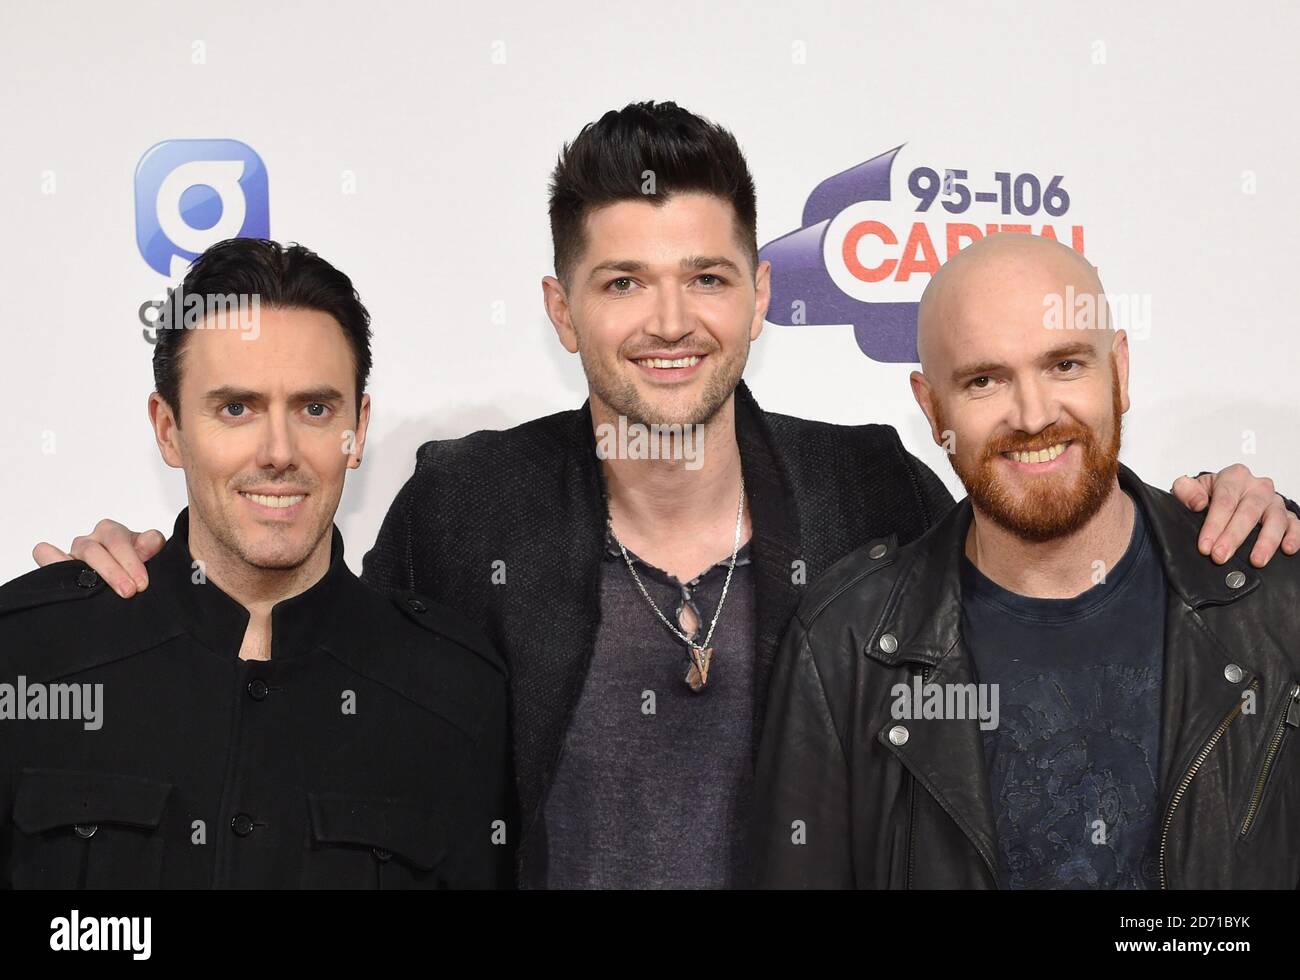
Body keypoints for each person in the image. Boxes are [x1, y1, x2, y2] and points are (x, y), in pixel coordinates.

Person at [33, 105, 1300, 889]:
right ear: (560, 309)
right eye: (624, 282)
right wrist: (154, 596)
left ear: (759, 293)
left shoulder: (865, 484)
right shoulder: (466, 507)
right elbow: (320, 672)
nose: (670, 321)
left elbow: (1039, 528)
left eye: (704, 275)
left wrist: (1205, 519)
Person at [752, 232, 1300, 888]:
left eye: (1064, 365)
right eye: (985, 380)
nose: (1035, 415)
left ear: (1119, 372)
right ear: (932, 407)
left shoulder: (1274, 595)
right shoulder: (847, 644)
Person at [2, 239, 510, 888]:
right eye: (236, 408)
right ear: (168, 429)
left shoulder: (458, 692)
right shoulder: (28, 655)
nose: (278, 452)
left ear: (358, 429)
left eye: (315, 409)